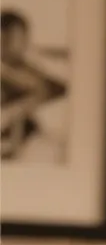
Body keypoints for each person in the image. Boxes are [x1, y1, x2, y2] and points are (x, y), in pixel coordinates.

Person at [1, 9, 68, 162]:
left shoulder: (37, 65)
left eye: (17, 38)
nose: (7, 44)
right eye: (5, 38)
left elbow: (45, 87)